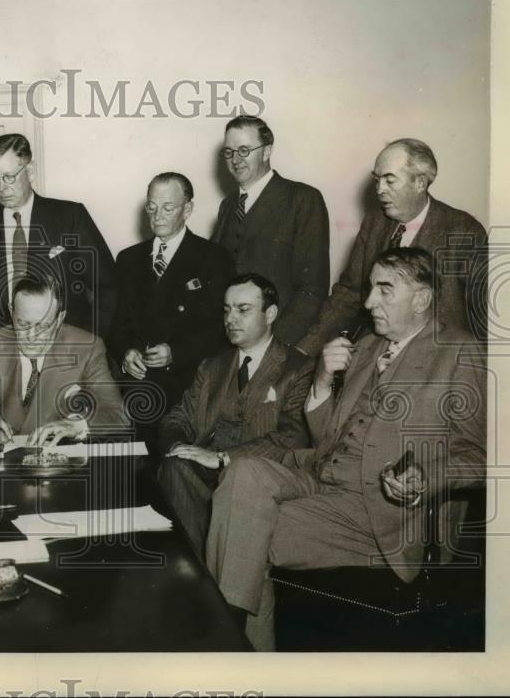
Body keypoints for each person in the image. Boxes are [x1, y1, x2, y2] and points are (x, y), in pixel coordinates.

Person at [207, 248, 486, 651]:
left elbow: (479, 454)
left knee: (239, 530)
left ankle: (232, 648)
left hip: (382, 513)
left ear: (422, 299)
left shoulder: (460, 352)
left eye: (385, 290)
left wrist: (427, 476)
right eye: (371, 287)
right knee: (244, 473)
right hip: (324, 482)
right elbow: (328, 439)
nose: (369, 301)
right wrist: (322, 381)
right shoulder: (368, 347)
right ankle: (241, 651)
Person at [156, 274, 314, 560]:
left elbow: (292, 437)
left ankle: (204, 573)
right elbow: (176, 420)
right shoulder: (212, 366)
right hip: (206, 482)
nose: (231, 318)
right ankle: (194, 575)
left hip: (256, 486)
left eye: (243, 310)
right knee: (175, 466)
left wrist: (222, 458)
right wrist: (180, 447)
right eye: (227, 310)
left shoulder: (298, 369)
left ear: (270, 314)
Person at [298, 138, 486, 355]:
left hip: (436, 359)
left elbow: (483, 317)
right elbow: (349, 293)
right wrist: (305, 349)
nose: (379, 189)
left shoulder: (463, 231)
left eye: (390, 180)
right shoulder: (374, 222)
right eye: (377, 180)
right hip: (373, 352)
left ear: (420, 183)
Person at [0, 274, 129, 444]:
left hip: (62, 472)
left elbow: (116, 415)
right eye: (23, 324)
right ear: (11, 313)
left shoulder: (88, 347)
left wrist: (75, 425)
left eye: (44, 326)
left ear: (60, 320)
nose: (32, 336)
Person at [110, 172, 234, 442]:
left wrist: (176, 352)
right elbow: (116, 324)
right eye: (151, 207)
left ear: (187, 209)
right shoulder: (128, 259)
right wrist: (126, 353)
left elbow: (221, 330)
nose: (158, 216)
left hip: (187, 391)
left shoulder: (213, 258)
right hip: (137, 392)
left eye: (168, 208)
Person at [0, 133, 117, 338]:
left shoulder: (70, 217)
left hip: (66, 348)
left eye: (9, 176)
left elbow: (107, 288)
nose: (2, 187)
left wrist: (88, 342)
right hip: (4, 354)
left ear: (30, 171)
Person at [211, 116, 330, 346]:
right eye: (229, 152)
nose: (235, 159)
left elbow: (312, 290)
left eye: (244, 150)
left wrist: (274, 348)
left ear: (266, 151)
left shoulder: (303, 199)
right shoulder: (228, 205)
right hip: (228, 348)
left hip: (279, 345)